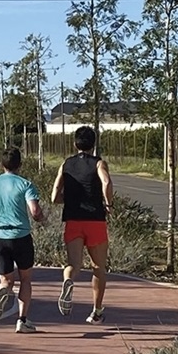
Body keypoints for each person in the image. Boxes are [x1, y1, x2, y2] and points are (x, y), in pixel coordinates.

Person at [0, 147, 46, 333]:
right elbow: (35, 212)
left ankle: (3, 290)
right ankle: (22, 320)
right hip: (20, 236)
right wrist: (41, 220)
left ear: (1, 165)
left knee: (6, 279)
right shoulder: (26, 184)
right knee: (26, 279)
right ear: (20, 165)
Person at [51, 125, 114, 324]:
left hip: (73, 220)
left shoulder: (66, 164)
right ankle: (96, 310)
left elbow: (54, 195)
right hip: (95, 220)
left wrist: (65, 200)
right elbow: (106, 182)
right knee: (98, 267)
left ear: (75, 143)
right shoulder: (99, 164)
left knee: (73, 265)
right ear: (94, 144)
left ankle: (68, 280)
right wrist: (108, 203)